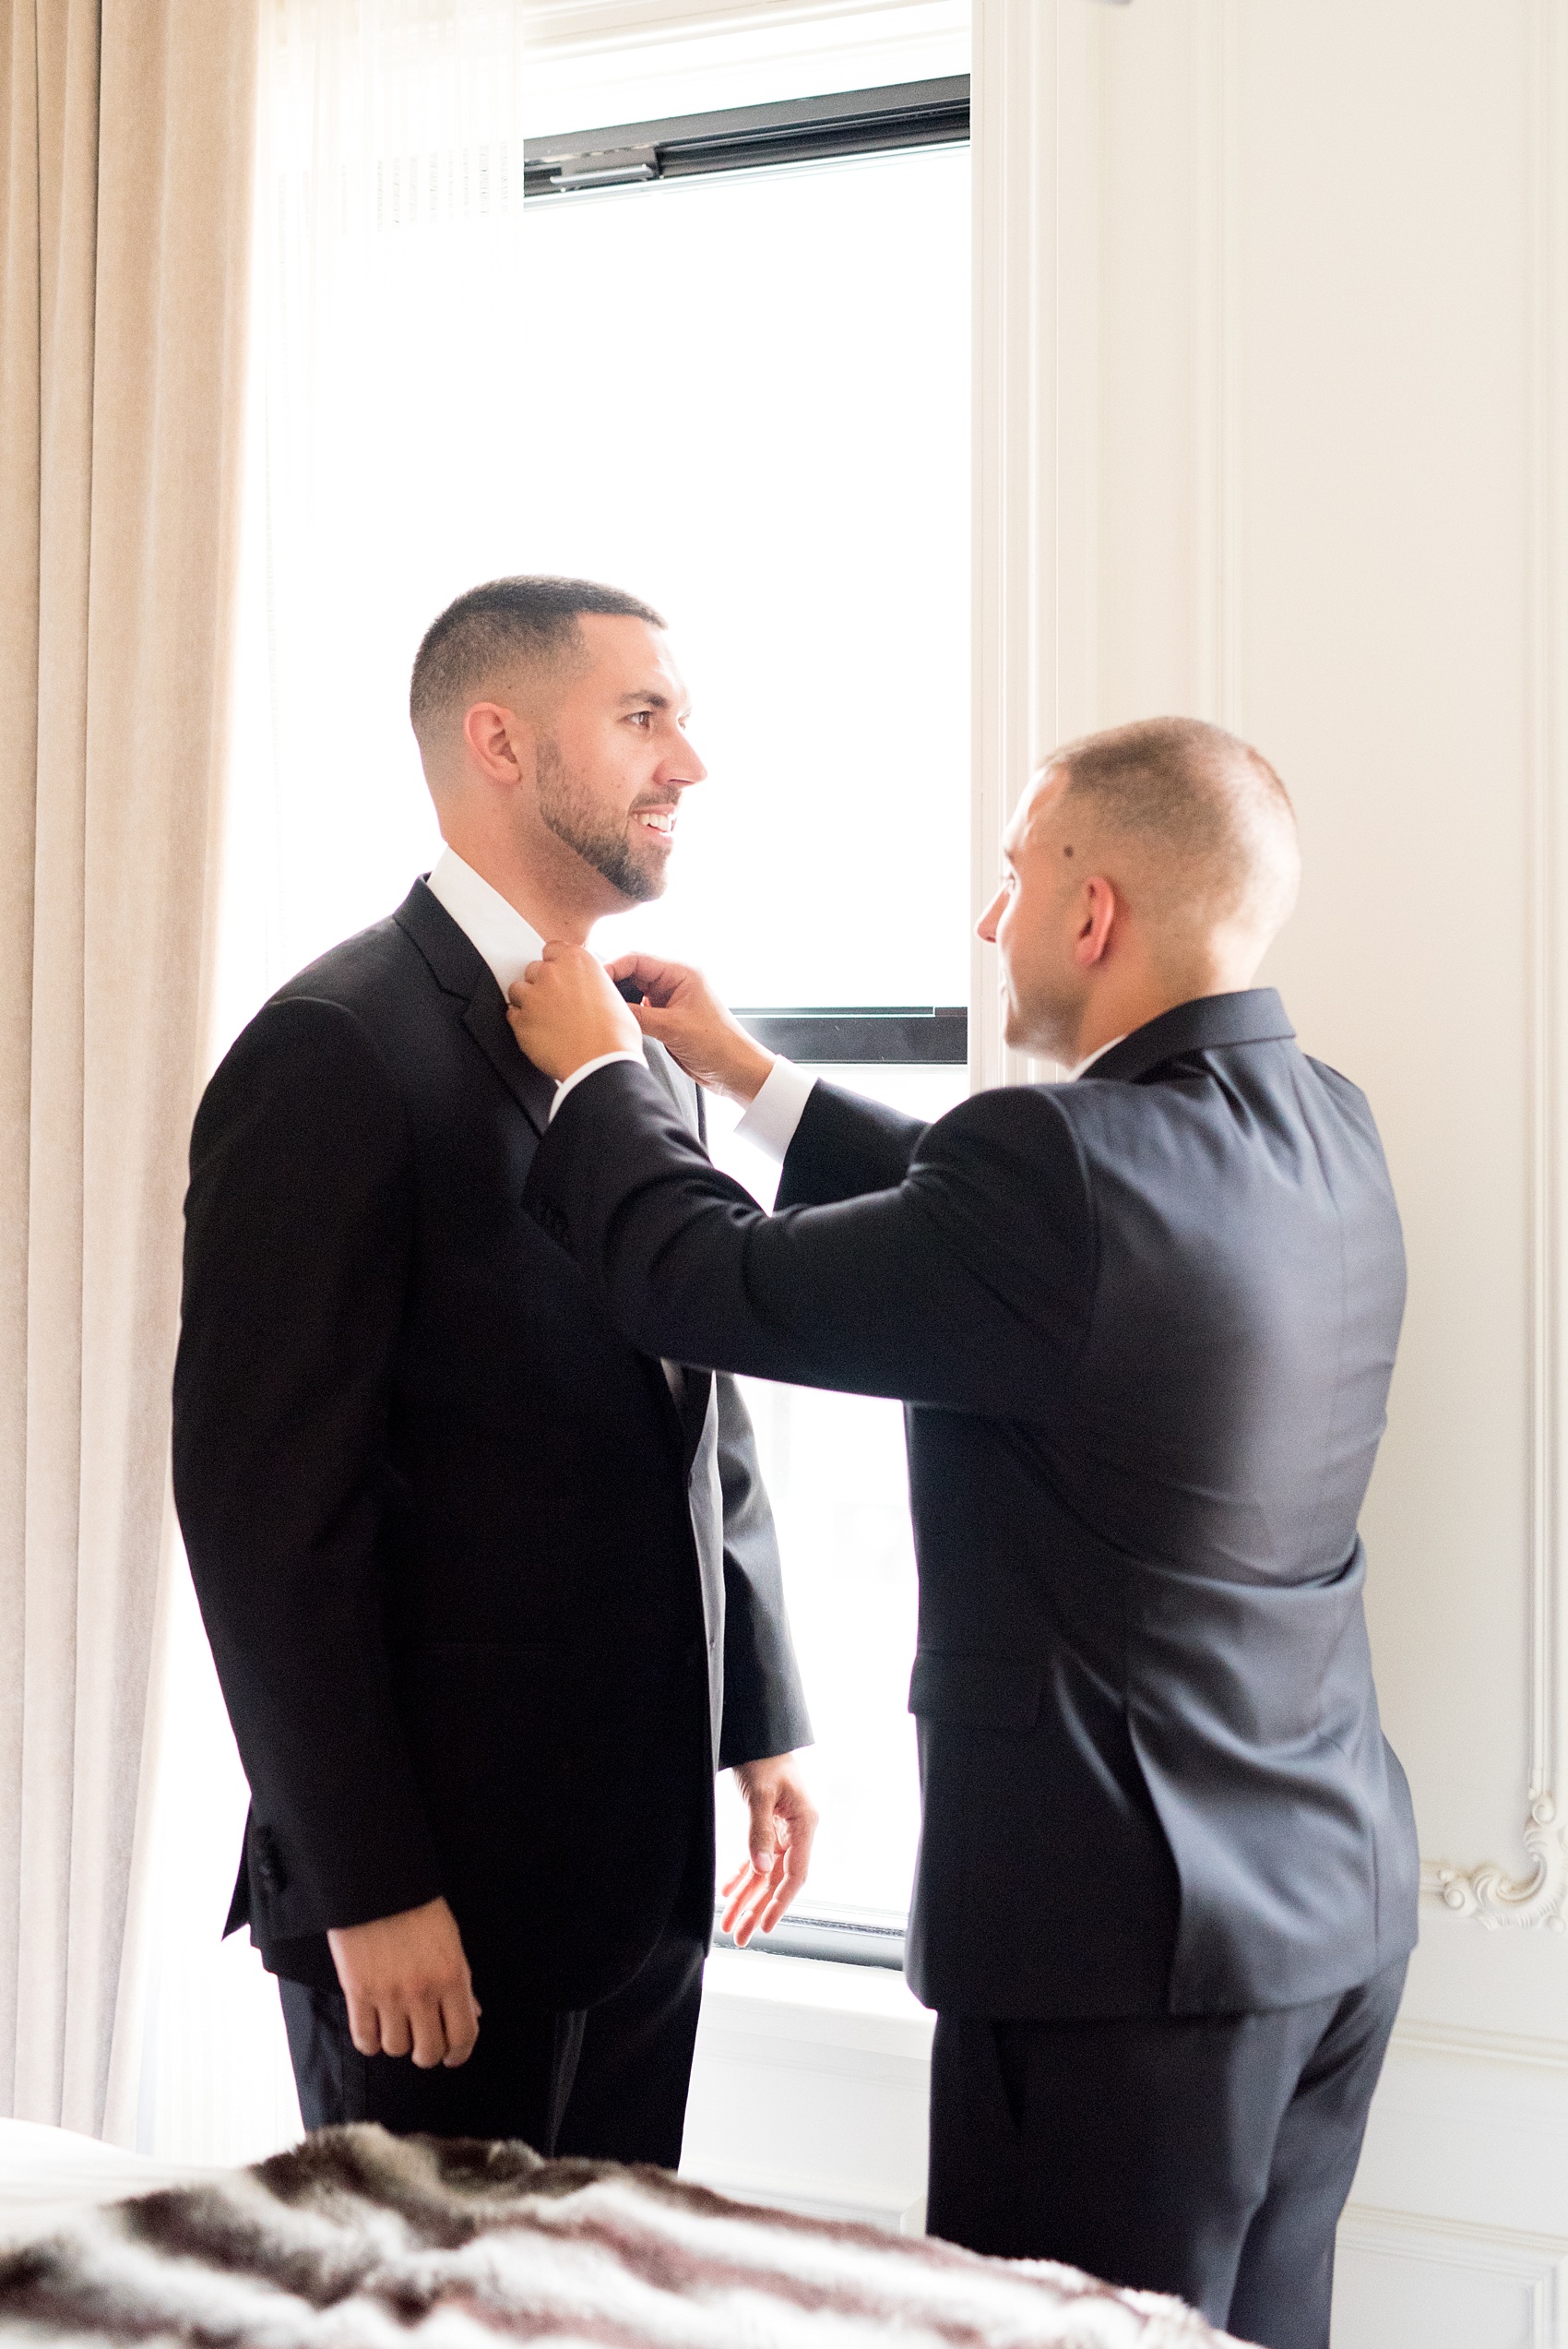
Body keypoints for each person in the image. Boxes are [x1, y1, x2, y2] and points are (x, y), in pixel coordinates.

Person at [505, 716, 1419, 2349]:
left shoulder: (1063, 1168)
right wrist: (753, 1078)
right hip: (1329, 1910)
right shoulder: (1324, 1126)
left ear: (1094, 912)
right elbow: (1008, 1233)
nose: (990, 919)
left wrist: (594, 1073)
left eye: (1014, 875)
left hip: (1115, 1956)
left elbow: (695, 1282)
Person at [172, 575, 814, 2164]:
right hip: (431, 1915)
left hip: (644, 1881)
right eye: (646, 715)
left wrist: (764, 1712)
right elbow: (264, 1512)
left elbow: (694, 1401)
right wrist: (367, 1880)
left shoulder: (631, 1044)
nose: (692, 761)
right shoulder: (335, 1045)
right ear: (501, 743)